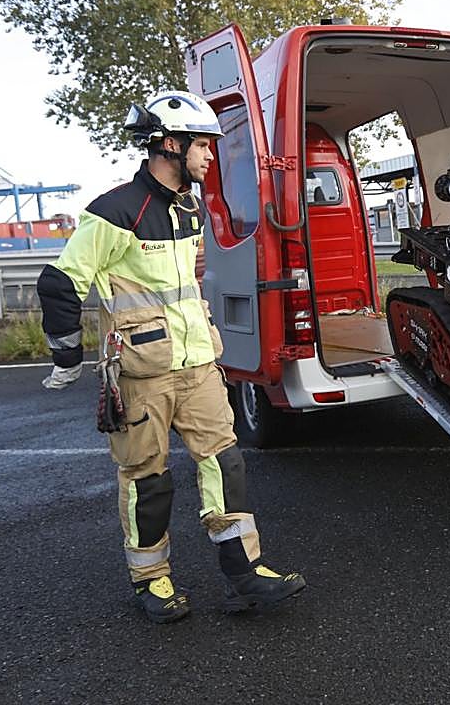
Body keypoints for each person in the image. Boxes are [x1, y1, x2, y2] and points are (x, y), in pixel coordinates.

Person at [37, 90, 305, 623]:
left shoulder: (188, 206)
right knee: (148, 479)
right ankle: (151, 581)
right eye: (202, 145)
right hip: (141, 375)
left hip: (199, 367)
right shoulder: (113, 211)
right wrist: (67, 358)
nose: (210, 156)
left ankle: (243, 573)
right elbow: (60, 282)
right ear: (170, 145)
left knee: (224, 463)